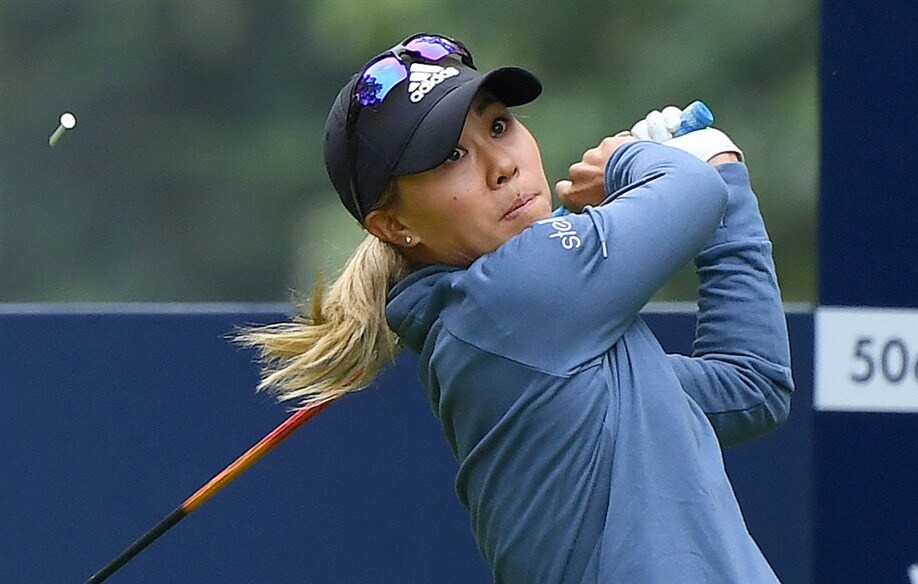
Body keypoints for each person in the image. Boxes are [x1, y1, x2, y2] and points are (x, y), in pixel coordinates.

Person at [238, 33, 794, 583]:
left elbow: (751, 384)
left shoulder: (508, 323)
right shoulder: (508, 300)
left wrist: (721, 170)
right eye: (450, 155)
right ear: (394, 226)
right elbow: (690, 191)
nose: (501, 164)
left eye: (498, 125)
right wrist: (640, 159)